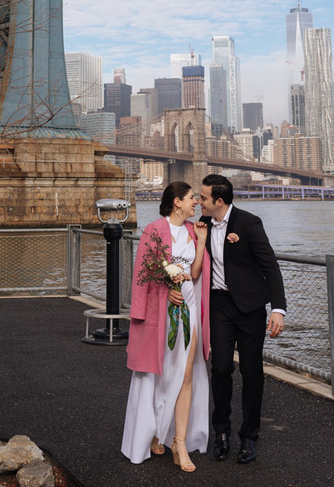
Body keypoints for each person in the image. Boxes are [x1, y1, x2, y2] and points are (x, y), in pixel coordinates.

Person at [121, 181, 210, 471]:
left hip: (190, 308)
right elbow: (143, 276)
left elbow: (195, 273)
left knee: (186, 374)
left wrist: (203, 241)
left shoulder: (190, 231)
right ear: (176, 202)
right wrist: (165, 289)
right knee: (158, 374)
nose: (195, 202)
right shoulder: (154, 231)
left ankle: (179, 442)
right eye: (191, 198)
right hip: (162, 311)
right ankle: (154, 431)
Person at [199, 173, 286, 465]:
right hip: (219, 305)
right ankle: (220, 432)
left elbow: (270, 266)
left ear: (218, 201)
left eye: (203, 198)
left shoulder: (249, 223)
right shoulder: (201, 225)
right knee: (220, 368)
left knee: (252, 373)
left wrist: (278, 308)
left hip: (250, 309)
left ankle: (249, 436)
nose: (199, 201)